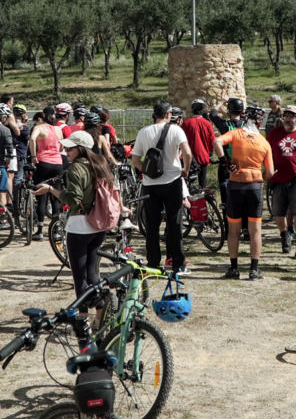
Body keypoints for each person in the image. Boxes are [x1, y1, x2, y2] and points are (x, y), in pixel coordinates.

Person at [41, 131, 117, 318]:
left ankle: (83, 318)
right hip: (98, 224)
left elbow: (74, 200)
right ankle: (100, 315)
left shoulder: (76, 169)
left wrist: (52, 190)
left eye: (69, 148)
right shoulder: (100, 164)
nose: (66, 151)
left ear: (80, 149)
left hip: (79, 226)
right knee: (91, 273)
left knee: (79, 277)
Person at [131, 101, 192, 276]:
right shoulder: (175, 130)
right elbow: (187, 153)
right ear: (168, 114)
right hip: (172, 181)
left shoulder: (143, 132)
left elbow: (135, 159)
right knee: (175, 223)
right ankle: (178, 265)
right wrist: (185, 170)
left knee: (152, 225)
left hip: (150, 184)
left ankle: (153, 263)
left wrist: (147, 171)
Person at [214, 105, 274, 280]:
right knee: (255, 231)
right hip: (254, 186)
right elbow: (270, 172)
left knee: (234, 230)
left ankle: (234, 268)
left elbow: (216, 142)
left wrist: (225, 161)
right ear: (260, 121)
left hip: (236, 184)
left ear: (244, 117)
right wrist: (259, 178)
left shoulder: (237, 133)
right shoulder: (264, 142)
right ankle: (254, 269)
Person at [267, 105, 296, 256]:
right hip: (278, 179)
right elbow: (266, 152)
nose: (288, 119)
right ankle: (285, 235)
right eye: (286, 116)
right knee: (278, 213)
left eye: (291, 117)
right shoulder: (274, 133)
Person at [28, 108, 64, 240]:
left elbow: (32, 139)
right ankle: (56, 231)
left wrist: (33, 155)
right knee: (55, 195)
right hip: (58, 163)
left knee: (41, 198)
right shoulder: (58, 129)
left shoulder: (40, 127)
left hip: (43, 162)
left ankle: (40, 231)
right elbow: (61, 146)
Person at [209, 98, 245, 216]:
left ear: (229, 111)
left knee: (225, 194)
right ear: (242, 111)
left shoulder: (224, 125)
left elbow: (213, 114)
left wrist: (221, 102)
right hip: (243, 164)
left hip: (226, 164)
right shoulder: (247, 126)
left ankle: (227, 221)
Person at [181, 99, 216, 189]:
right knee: (203, 182)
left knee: (187, 182)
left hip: (189, 157)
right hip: (204, 156)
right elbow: (212, 140)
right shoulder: (208, 124)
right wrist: (209, 152)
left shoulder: (186, 123)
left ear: (192, 109)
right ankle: (203, 200)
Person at [12, 104, 31, 195]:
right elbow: (30, 138)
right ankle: (15, 200)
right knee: (18, 178)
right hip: (20, 153)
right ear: (23, 114)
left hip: (11, 153)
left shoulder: (10, 124)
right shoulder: (21, 126)